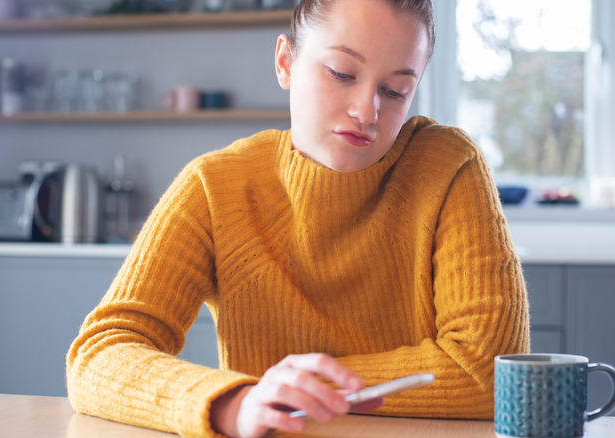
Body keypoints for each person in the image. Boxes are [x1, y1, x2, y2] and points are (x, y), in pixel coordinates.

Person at [65, 0, 530, 437]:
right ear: (286, 63)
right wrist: (233, 402)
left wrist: (309, 389)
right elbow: (101, 354)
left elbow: (493, 369)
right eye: (342, 73)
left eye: (395, 91)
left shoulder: (448, 167)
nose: (367, 111)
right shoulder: (214, 187)